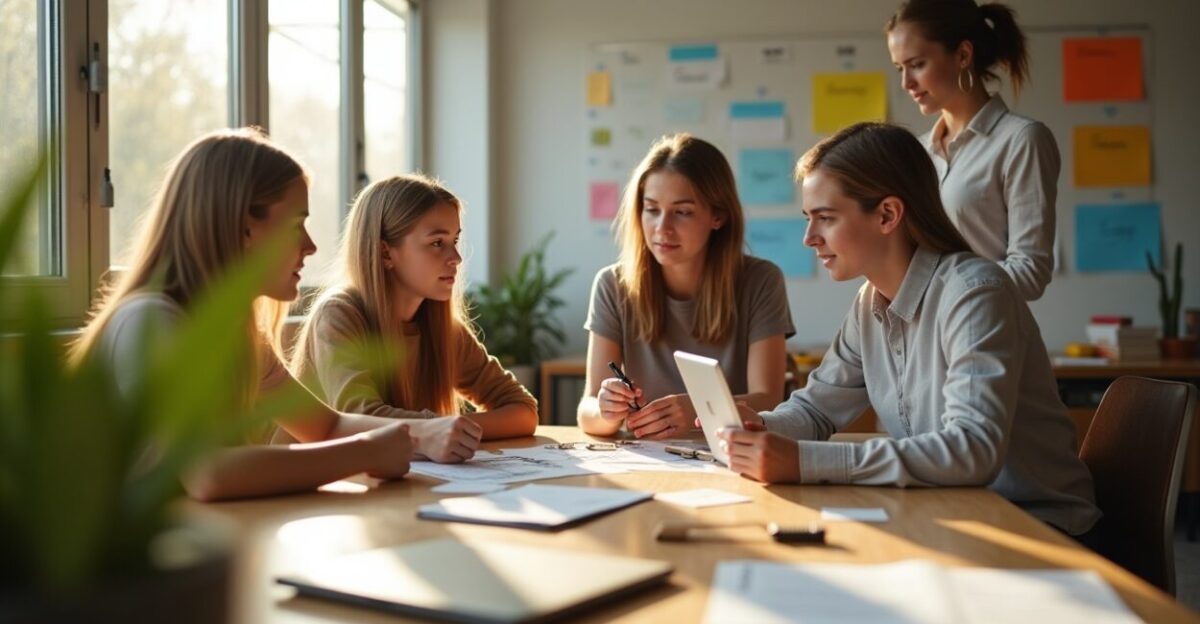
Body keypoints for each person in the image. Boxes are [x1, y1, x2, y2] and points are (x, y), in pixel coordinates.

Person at [718, 122, 1100, 538]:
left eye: (825, 219)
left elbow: (973, 449)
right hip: (951, 513)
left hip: (1038, 526)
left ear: (887, 215)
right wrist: (761, 426)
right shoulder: (869, 302)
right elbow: (815, 409)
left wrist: (805, 461)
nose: (809, 238)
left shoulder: (974, 293)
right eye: (808, 219)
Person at [69, 128, 413, 501]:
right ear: (243, 226)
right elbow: (210, 473)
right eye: (298, 223)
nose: (311, 246)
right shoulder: (149, 323)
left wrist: (421, 435)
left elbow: (326, 426)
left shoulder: (237, 334)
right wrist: (367, 452)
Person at [288, 175, 538, 463]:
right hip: (307, 493)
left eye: (455, 240)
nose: (455, 257)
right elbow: (359, 419)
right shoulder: (339, 315)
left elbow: (522, 409)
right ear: (385, 252)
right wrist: (435, 429)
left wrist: (451, 431)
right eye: (437, 243)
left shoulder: (441, 327)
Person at [578, 133, 795, 440]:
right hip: (648, 460)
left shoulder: (761, 281)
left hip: (729, 454)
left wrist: (699, 410)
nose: (662, 228)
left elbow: (769, 400)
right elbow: (587, 412)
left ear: (718, 216)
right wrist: (606, 410)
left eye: (682, 212)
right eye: (652, 209)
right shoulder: (612, 285)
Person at [886, 0, 1059, 300]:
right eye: (900, 68)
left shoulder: (1021, 139)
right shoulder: (918, 152)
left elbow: (1030, 271)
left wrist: (945, 298)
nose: (906, 82)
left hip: (988, 335)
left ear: (963, 55)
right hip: (926, 341)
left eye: (917, 65)